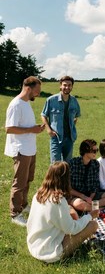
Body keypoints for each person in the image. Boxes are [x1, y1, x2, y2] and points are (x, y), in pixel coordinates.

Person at [27, 161, 98, 263]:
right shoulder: (58, 201)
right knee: (93, 225)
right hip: (50, 253)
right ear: (65, 179)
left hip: (34, 246)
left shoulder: (38, 194)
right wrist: (90, 216)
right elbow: (72, 229)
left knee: (70, 210)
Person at [4, 76, 45, 227]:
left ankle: (24, 205)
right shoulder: (16, 105)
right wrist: (31, 130)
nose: (38, 93)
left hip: (29, 148)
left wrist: (35, 128)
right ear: (28, 88)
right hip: (21, 149)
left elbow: (24, 125)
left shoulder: (26, 103)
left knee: (28, 180)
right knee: (19, 182)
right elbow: (9, 129)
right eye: (37, 90)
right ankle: (15, 214)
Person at [69, 139, 105, 213]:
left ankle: (91, 207)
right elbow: (68, 188)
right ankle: (98, 207)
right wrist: (83, 196)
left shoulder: (95, 164)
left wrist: (90, 198)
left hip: (91, 196)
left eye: (96, 150)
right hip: (77, 196)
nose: (96, 153)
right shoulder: (73, 163)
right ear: (85, 151)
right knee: (78, 203)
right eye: (93, 151)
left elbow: (95, 186)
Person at [41, 76, 80, 163]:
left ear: (72, 86)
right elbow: (43, 115)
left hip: (70, 138)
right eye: (65, 85)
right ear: (60, 86)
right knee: (55, 165)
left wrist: (72, 127)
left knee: (67, 164)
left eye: (69, 85)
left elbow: (76, 116)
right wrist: (49, 130)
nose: (67, 87)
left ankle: (65, 177)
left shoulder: (74, 101)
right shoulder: (51, 100)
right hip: (56, 137)